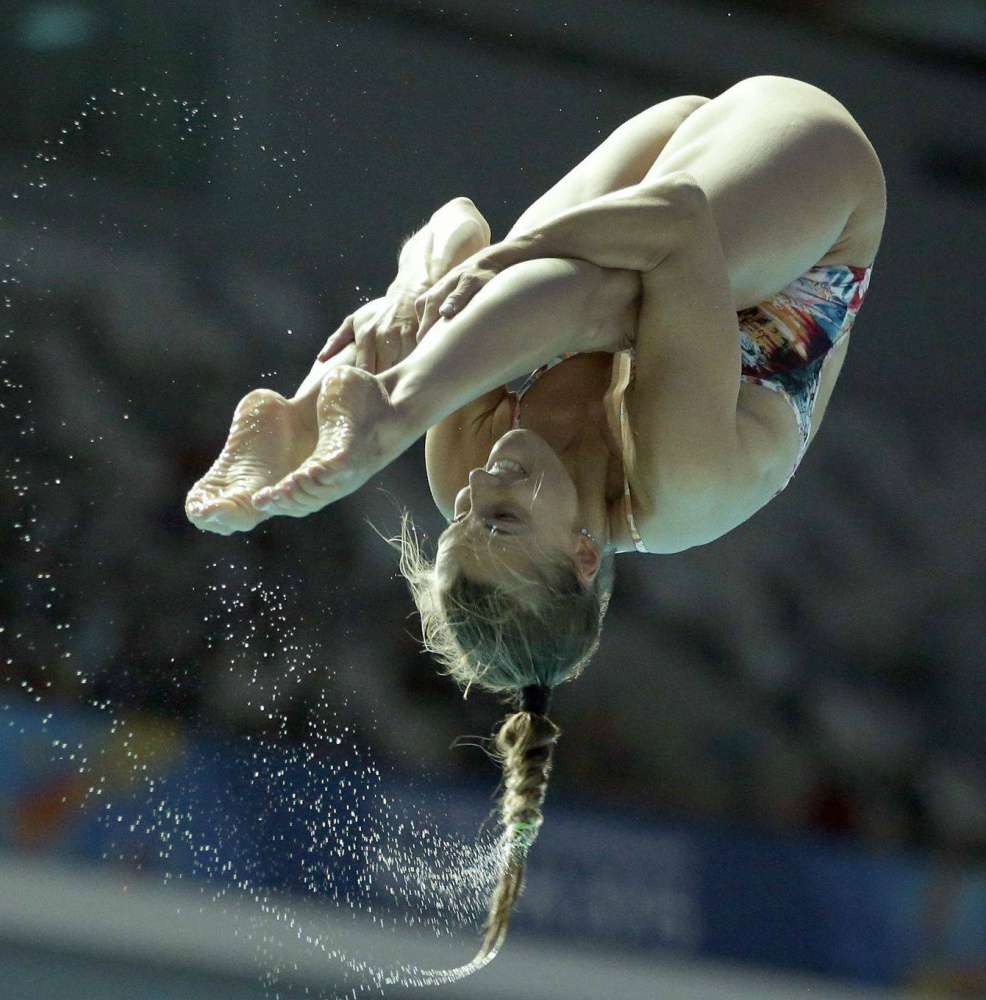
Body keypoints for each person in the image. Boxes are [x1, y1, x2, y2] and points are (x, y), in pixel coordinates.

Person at [186, 76, 885, 965]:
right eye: (506, 518)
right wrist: (500, 273)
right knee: (588, 299)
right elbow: (673, 224)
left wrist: (414, 292)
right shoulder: (681, 487)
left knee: (476, 306)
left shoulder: (460, 470)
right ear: (586, 553)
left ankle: (316, 407)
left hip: (655, 198)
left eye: (463, 516)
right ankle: (383, 413)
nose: (480, 483)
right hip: (802, 202)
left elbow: (456, 223)